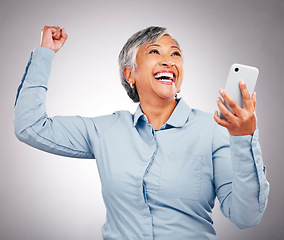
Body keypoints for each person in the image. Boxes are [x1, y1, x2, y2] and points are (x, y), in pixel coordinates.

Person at [14, 26, 269, 240]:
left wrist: (243, 138)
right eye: (154, 52)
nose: (169, 60)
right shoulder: (105, 130)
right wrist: (45, 54)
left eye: (176, 54)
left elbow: (246, 216)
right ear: (130, 74)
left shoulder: (215, 130)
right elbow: (31, 127)